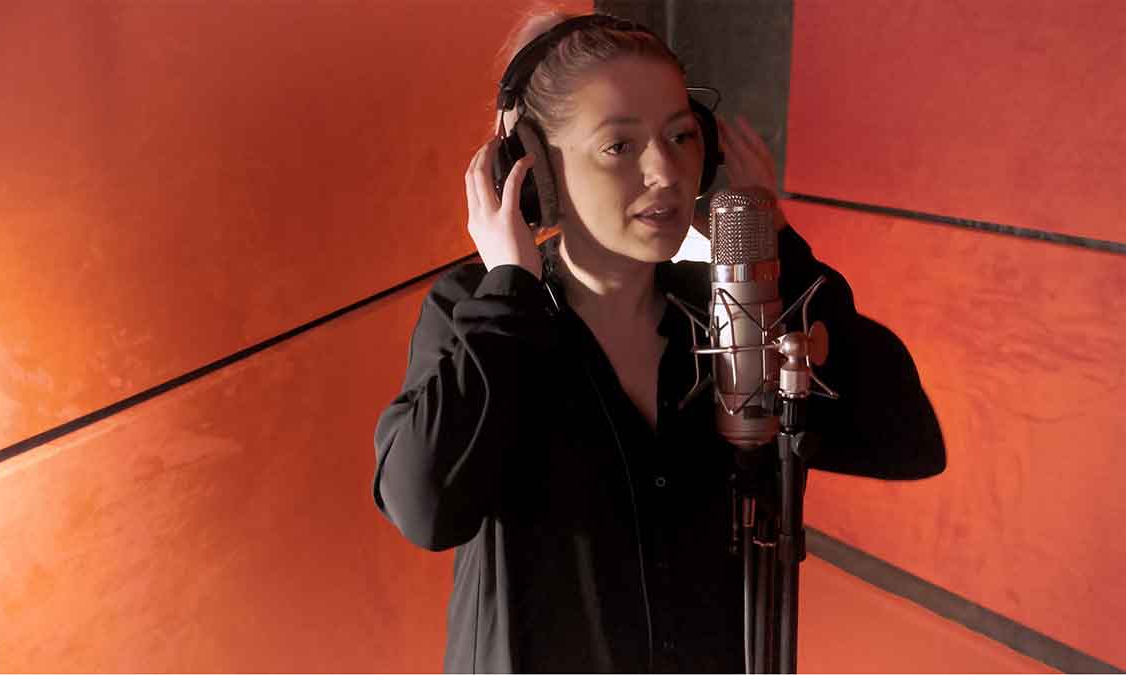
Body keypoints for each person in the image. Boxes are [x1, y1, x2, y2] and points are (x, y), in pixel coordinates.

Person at [373, 10, 945, 673]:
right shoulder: (478, 313)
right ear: (534, 172)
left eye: (681, 135)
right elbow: (425, 508)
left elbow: (908, 441)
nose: (666, 170)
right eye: (620, 146)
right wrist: (508, 291)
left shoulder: (728, 311)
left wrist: (777, 254)